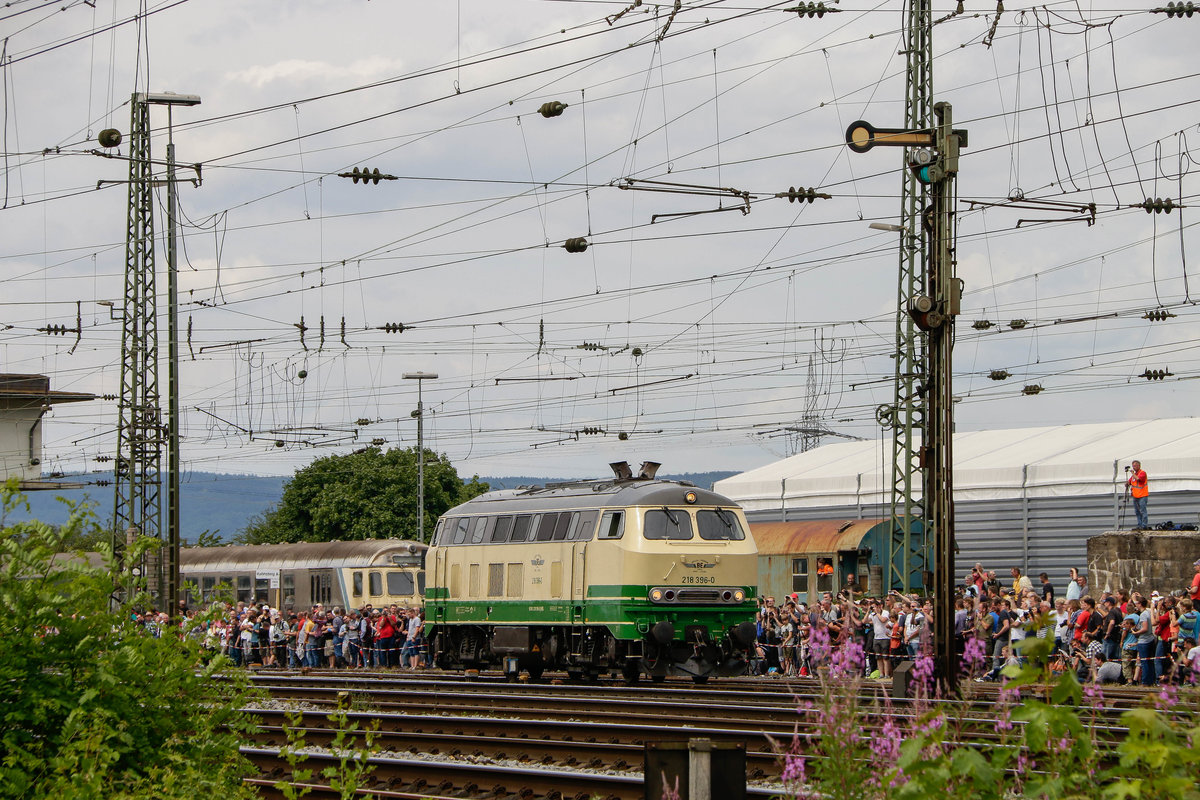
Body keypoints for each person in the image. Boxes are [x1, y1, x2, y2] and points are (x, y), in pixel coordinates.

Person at [1126, 459, 1149, 530]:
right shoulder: (1134, 475)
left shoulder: (1142, 473)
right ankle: (1139, 525)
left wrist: (1133, 473)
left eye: (1135, 466)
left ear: (1139, 466)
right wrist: (1127, 484)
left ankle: (1144, 525)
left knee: (1143, 511)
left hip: (1142, 495)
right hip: (1135, 496)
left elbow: (1139, 479)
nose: (1134, 467)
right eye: (1133, 466)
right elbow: (1130, 482)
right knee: (1137, 512)